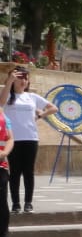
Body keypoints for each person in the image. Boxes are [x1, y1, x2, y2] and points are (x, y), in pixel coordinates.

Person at [4, 66, 57, 214]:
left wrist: (41, 115)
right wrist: (9, 81)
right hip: (13, 139)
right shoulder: (7, 96)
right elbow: (1, 103)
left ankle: (28, 202)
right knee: (14, 172)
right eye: (20, 77)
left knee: (28, 171)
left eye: (26, 78)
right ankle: (15, 203)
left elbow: (54, 108)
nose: (23, 81)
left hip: (30, 138)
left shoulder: (32, 97)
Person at [0, 66, 16, 237]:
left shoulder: (2, 115)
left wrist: (4, 153)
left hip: (1, 164)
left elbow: (10, 138)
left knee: (2, 204)